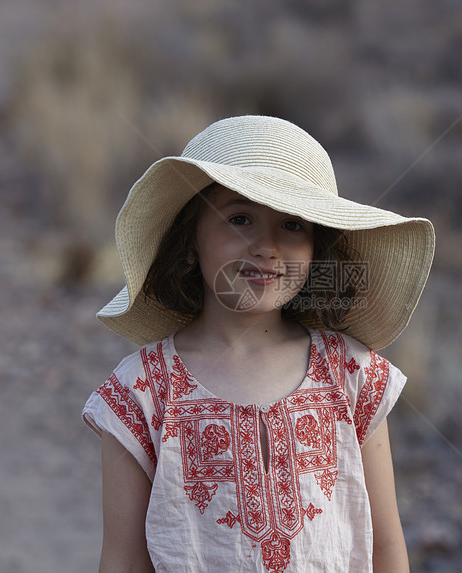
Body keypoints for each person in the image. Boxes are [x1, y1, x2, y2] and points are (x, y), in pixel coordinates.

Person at [82, 115, 435, 573]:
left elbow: (385, 547)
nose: (266, 247)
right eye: (240, 218)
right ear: (190, 243)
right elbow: (123, 561)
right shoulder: (142, 393)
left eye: (291, 225)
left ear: (315, 250)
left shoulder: (351, 373)